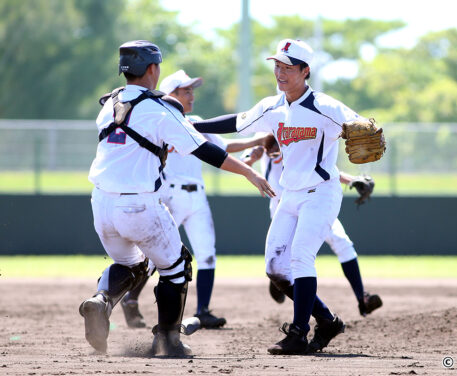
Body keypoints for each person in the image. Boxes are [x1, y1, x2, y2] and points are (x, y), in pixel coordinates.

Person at [79, 40, 274, 358]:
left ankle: (101, 300)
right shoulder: (158, 109)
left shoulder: (109, 104)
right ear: (153, 69)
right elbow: (206, 150)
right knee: (178, 266)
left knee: (131, 264)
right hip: (138, 203)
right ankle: (168, 341)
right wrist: (250, 173)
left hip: (100, 203)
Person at [190, 39, 382, 355]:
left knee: (301, 257)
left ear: (305, 71)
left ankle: (298, 333)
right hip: (288, 195)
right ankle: (327, 320)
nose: (280, 72)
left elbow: (365, 128)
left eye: (288, 67)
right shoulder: (272, 106)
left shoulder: (326, 107)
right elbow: (236, 122)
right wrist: (192, 124)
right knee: (276, 269)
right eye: (277, 65)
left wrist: (368, 134)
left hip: (320, 194)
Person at [120, 69, 266, 329]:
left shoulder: (196, 121)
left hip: (196, 195)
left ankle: (203, 311)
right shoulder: (160, 120)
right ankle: (130, 299)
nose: (191, 95)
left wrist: (259, 141)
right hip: (169, 194)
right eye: (185, 90)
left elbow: (222, 147)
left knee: (207, 254)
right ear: (171, 94)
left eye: (191, 90)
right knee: (153, 257)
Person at [243, 135, 383, 317]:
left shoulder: (302, 129)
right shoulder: (265, 131)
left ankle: (362, 299)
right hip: (283, 207)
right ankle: (285, 284)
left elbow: (316, 169)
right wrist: (253, 156)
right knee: (283, 263)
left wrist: (351, 180)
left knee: (342, 242)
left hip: (313, 200)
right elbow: (243, 163)